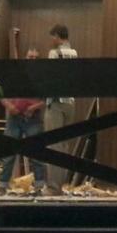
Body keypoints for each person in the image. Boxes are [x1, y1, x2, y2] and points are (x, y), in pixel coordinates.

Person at [0, 48, 46, 193]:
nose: (33, 60)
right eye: (30, 57)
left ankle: (39, 186)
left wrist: (33, 108)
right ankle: (2, 185)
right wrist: (9, 106)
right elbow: (0, 93)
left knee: (36, 153)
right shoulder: (15, 75)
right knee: (8, 152)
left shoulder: (42, 77)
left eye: (36, 58)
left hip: (33, 118)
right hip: (14, 117)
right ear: (25, 58)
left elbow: (46, 99)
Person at [43, 23, 78, 194]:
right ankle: (62, 184)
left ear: (57, 36)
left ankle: (53, 187)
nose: (51, 40)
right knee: (64, 144)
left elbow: (50, 76)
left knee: (53, 144)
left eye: (52, 37)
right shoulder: (74, 53)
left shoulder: (54, 53)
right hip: (70, 101)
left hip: (56, 101)